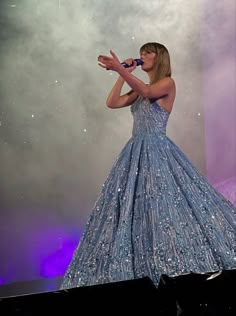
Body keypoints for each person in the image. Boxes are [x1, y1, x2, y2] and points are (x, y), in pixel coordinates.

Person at [60, 42, 236, 290]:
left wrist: (123, 71)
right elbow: (112, 102)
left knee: (161, 205)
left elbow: (146, 92)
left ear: (160, 57)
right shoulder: (140, 87)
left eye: (147, 52)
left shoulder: (167, 83)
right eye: (141, 52)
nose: (142, 56)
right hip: (135, 151)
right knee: (135, 206)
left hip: (157, 150)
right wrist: (122, 71)